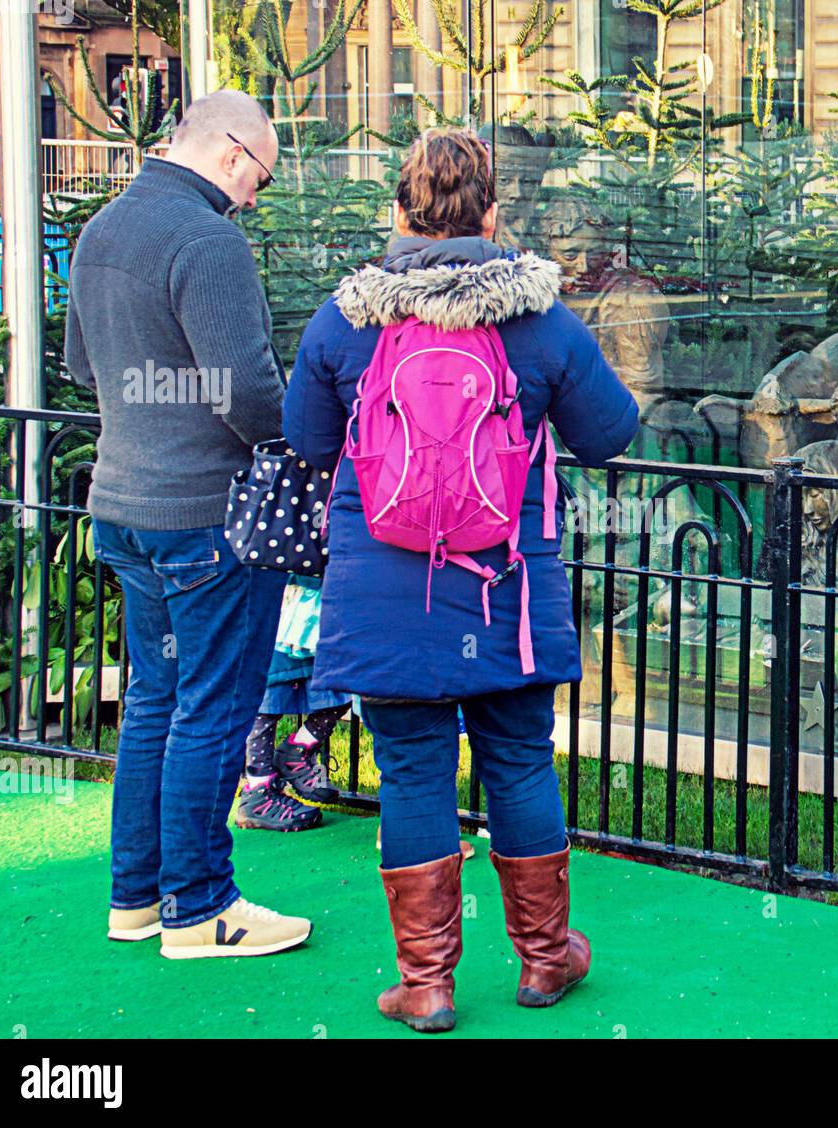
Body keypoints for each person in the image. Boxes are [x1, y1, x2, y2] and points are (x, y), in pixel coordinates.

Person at [283, 127, 639, 1032]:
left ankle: (428, 984)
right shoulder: (541, 320)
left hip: (386, 593)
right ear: (494, 213)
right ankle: (546, 961)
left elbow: (310, 440)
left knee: (411, 773)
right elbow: (610, 433)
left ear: (398, 213)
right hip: (507, 589)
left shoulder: (348, 317)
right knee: (519, 759)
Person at [64, 89, 312, 958]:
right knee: (211, 708)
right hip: (208, 516)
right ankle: (201, 910)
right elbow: (245, 388)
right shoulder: (208, 240)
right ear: (234, 153)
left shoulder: (100, 230)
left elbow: (80, 365)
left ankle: (135, 901)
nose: (254, 198)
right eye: (261, 180)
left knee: (155, 703)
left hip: (125, 506)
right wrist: (297, 444)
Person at [236, 575, 347, 831]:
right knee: (268, 694)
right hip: (284, 595)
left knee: (346, 684)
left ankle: (298, 750)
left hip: (326, 595)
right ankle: (258, 788)